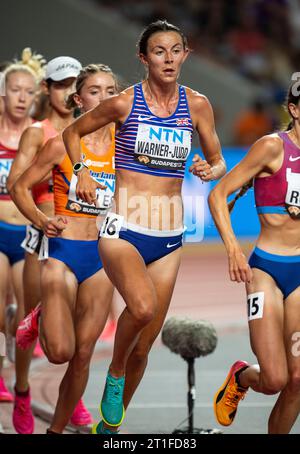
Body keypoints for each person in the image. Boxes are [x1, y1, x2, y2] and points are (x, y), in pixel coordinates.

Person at [62, 19, 226, 434]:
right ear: (143, 57)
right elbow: (73, 132)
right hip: (124, 226)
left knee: (145, 347)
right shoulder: (124, 103)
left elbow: (219, 160)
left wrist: (211, 168)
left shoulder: (198, 105)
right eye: (159, 51)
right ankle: (114, 373)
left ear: (185, 55)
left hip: (169, 236)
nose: (168, 59)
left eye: (176, 50)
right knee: (143, 307)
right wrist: (80, 171)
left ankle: (109, 430)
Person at [11, 63, 118, 434]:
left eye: (110, 91)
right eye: (94, 91)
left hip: (103, 258)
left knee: (84, 354)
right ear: (78, 98)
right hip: (64, 252)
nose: (104, 98)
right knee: (59, 353)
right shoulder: (60, 144)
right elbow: (19, 187)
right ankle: (38, 316)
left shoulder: (126, 143)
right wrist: (42, 222)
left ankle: (56, 430)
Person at [209, 83, 300, 434]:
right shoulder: (271, 148)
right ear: (293, 109)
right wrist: (233, 248)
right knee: (275, 378)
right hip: (267, 271)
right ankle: (242, 376)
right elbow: (218, 196)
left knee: (296, 380)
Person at [7, 55, 86, 434]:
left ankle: (74, 396)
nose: (69, 91)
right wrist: (41, 221)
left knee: (79, 323)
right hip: (43, 236)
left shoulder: (91, 130)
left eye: (75, 84)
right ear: (48, 89)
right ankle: (22, 391)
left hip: (83, 236)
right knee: (29, 322)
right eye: (61, 85)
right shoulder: (37, 133)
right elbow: (15, 185)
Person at [0, 49, 44, 403]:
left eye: (29, 92)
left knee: (27, 316)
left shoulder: (38, 136)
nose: (21, 97)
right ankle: (0, 374)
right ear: (3, 93)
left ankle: (18, 363)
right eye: (15, 90)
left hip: (27, 235)